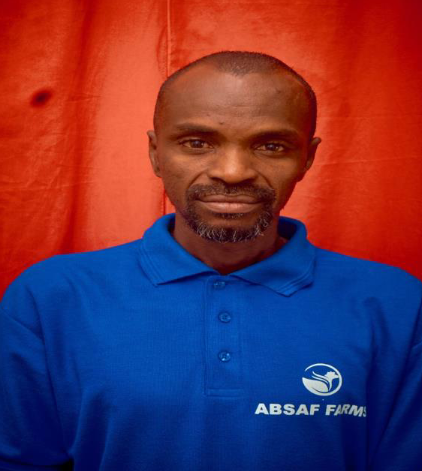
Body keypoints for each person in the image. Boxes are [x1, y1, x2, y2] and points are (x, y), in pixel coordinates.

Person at [0, 51, 421, 471]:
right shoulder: (51, 297)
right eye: (197, 143)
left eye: (271, 146)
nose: (233, 172)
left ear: (307, 158)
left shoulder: (397, 304)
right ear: (155, 153)